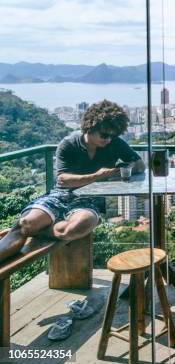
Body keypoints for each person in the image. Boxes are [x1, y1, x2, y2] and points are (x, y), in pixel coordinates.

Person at [0, 100, 144, 262]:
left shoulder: (115, 143)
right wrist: (97, 176)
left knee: (73, 229)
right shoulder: (69, 144)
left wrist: (123, 170)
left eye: (112, 135)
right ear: (90, 126)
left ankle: (39, 229)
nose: (108, 139)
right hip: (60, 195)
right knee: (25, 223)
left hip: (90, 201)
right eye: (104, 135)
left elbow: (139, 164)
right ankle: (31, 230)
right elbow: (63, 180)